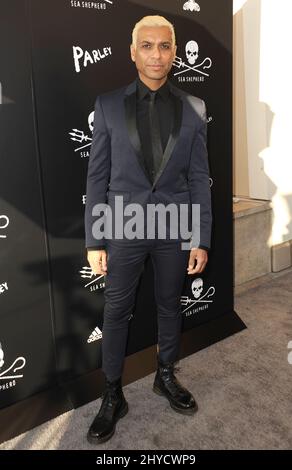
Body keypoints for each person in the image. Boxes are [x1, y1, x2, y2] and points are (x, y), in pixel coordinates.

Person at [84, 15, 212, 444]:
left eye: (164, 46)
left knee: (169, 306)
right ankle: (112, 394)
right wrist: (94, 238)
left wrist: (201, 237)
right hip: (123, 225)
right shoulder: (107, 106)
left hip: (175, 227)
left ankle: (165, 376)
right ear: (132, 51)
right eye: (147, 45)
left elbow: (199, 179)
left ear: (175, 52)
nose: (156, 54)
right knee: (116, 312)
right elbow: (96, 177)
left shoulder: (194, 109)